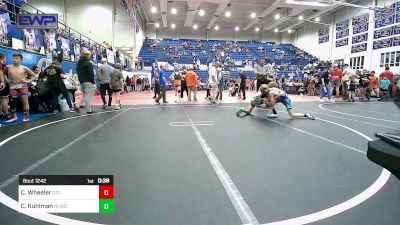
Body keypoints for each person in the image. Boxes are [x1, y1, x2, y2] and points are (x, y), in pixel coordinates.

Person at [236, 84, 315, 120]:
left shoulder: (269, 93)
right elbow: (256, 101)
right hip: (278, 96)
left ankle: (307, 115)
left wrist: (266, 103)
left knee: (292, 115)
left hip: (285, 99)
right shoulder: (264, 92)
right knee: (266, 102)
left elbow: (271, 103)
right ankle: (273, 112)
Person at [1, 53, 38, 122]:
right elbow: (2, 73)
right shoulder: (8, 67)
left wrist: (27, 81)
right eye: (14, 58)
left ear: (21, 60)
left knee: (25, 102)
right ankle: (13, 116)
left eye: (17, 58)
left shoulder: (24, 68)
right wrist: (6, 80)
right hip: (12, 86)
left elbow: (35, 76)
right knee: (12, 102)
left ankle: (26, 116)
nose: (15, 59)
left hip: (22, 86)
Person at [75, 49, 96, 114]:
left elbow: (77, 71)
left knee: (84, 95)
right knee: (88, 96)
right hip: (88, 82)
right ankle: (89, 110)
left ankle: (77, 106)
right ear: (87, 55)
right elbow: (91, 73)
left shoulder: (78, 63)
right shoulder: (88, 63)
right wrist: (93, 81)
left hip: (81, 82)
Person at [0, 53, 9, 119]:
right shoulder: (3, 66)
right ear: (2, 58)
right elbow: (4, 76)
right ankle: (6, 114)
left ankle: (0, 113)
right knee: (4, 99)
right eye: (5, 57)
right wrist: (6, 81)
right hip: (3, 84)